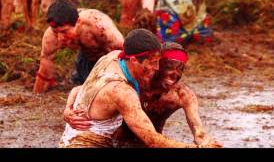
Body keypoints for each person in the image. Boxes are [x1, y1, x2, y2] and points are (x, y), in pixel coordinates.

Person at [63, 41, 223, 148]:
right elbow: (82, 89)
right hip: (117, 143)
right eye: (169, 67)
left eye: (180, 69)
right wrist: (68, 109)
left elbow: (199, 131)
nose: (175, 74)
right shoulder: (134, 85)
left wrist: (206, 142)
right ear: (156, 66)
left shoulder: (182, 95)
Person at [33, 0, 124, 94]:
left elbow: (123, 55)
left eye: (64, 31)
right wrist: (35, 98)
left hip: (109, 60)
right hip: (85, 60)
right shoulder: (50, 37)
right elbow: (44, 71)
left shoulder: (99, 26)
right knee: (77, 88)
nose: (60, 38)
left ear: (78, 22)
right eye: (56, 32)